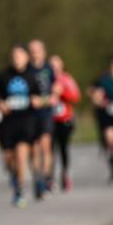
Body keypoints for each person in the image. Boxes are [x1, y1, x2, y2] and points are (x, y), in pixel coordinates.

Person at [0, 46, 40, 208]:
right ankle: (14, 177)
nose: (16, 59)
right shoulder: (3, 76)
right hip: (8, 123)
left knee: (21, 157)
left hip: (26, 120)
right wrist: (0, 104)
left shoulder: (33, 76)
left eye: (20, 56)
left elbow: (43, 97)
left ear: (26, 58)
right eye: (14, 56)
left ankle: (19, 191)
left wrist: (38, 101)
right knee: (8, 159)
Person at [26, 40, 55, 199]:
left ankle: (45, 177)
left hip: (45, 113)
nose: (34, 53)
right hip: (29, 114)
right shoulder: (26, 69)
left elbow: (56, 88)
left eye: (37, 50)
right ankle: (37, 178)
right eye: (32, 50)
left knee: (45, 145)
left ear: (43, 51)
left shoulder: (48, 69)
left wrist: (50, 98)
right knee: (33, 149)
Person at [49, 55, 81, 192]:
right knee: (49, 149)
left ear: (62, 65)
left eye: (57, 65)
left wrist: (63, 92)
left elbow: (76, 97)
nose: (54, 68)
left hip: (64, 119)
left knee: (63, 148)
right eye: (52, 65)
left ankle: (65, 174)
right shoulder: (45, 80)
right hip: (49, 120)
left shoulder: (67, 79)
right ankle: (49, 177)